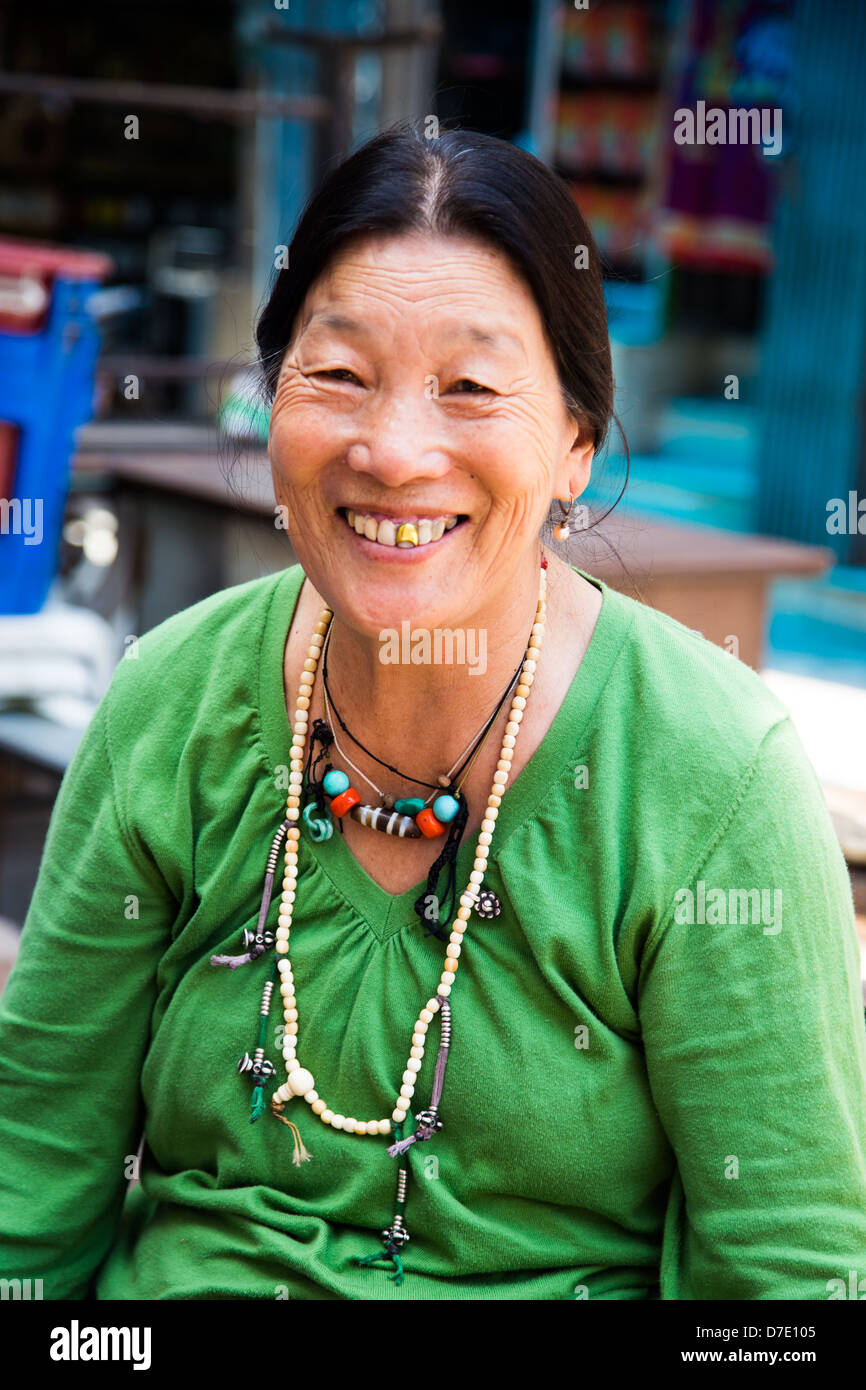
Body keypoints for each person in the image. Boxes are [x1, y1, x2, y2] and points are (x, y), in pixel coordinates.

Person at [0, 122, 864, 1302]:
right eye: (340, 375)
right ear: (271, 403)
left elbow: (788, 1281)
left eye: (469, 388)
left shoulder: (706, 768)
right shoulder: (170, 701)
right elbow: (30, 1187)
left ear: (571, 442)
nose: (394, 450)